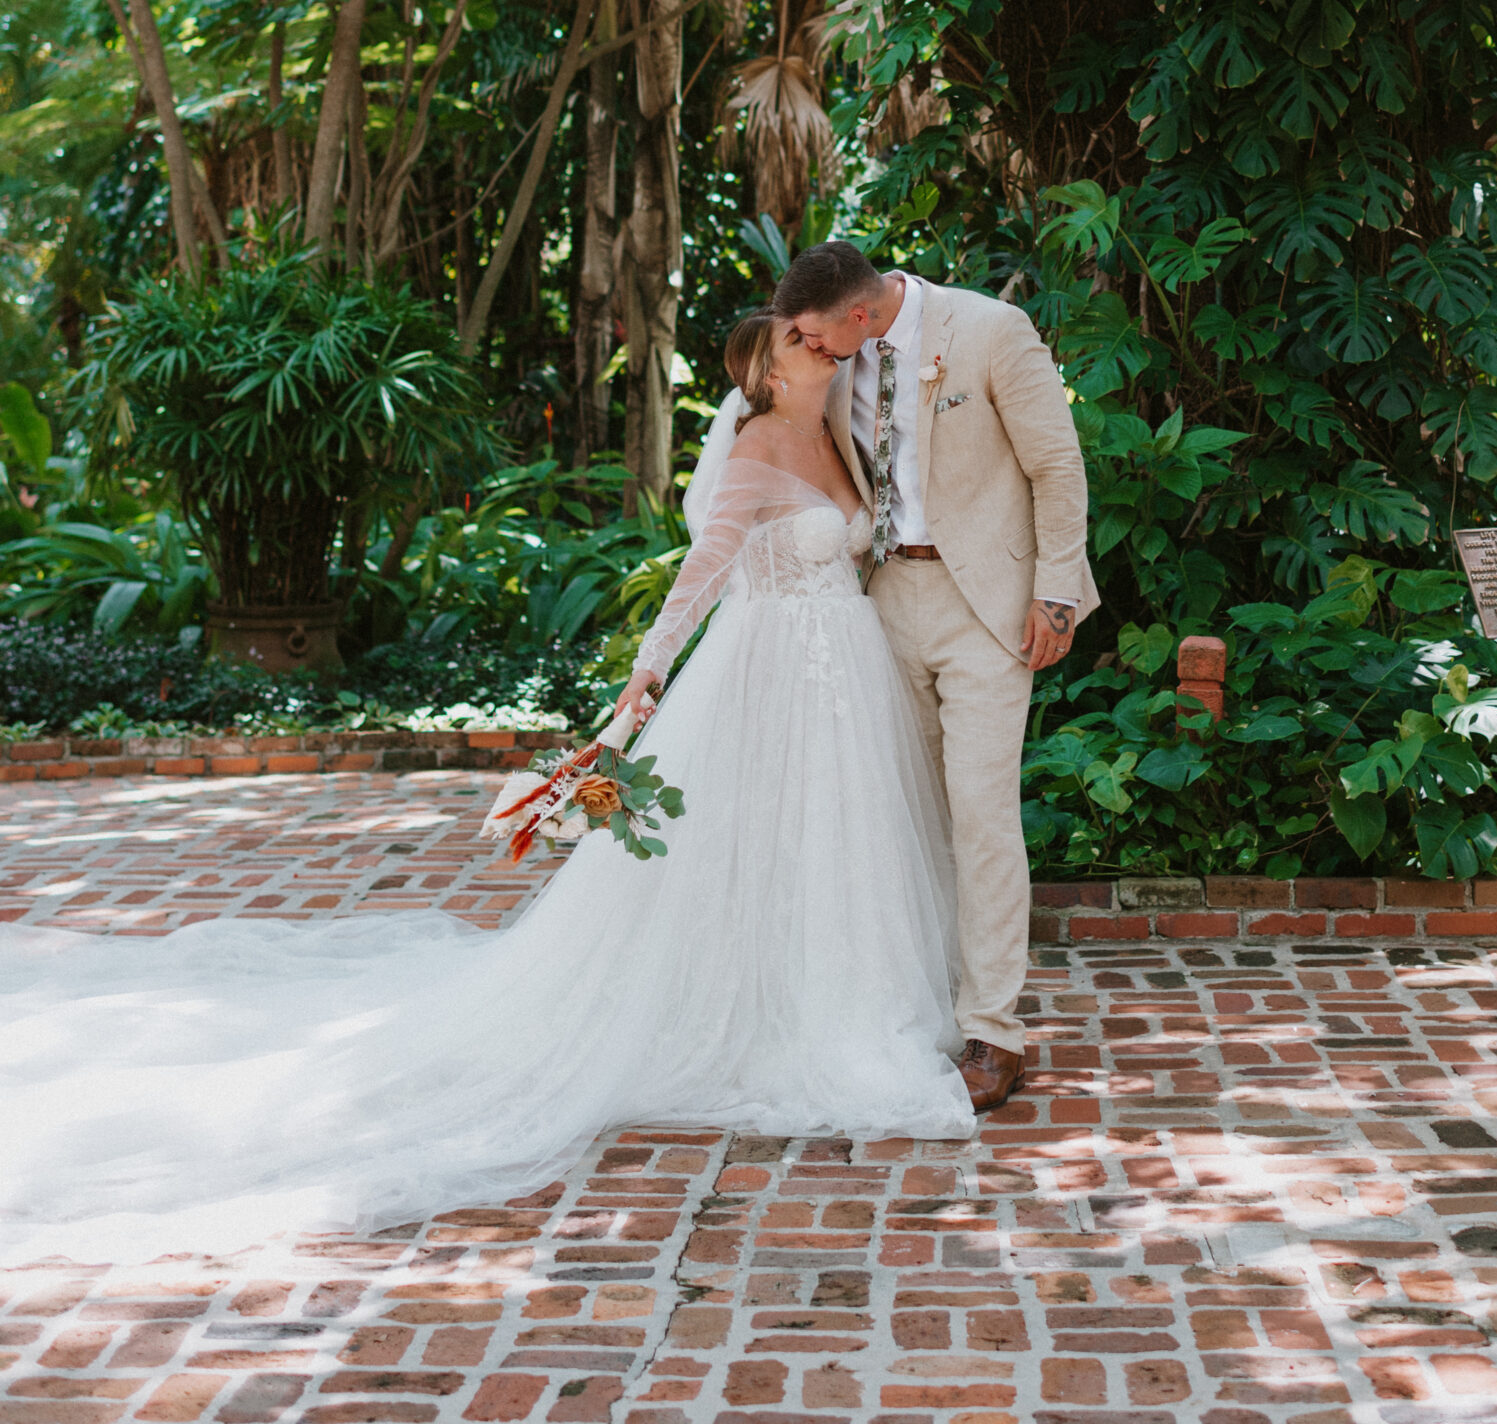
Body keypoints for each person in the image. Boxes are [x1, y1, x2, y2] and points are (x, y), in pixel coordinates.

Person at [0, 310, 973, 1267]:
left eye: (813, 338)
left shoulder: (837, 427)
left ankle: (840, 985)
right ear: (764, 376)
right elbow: (703, 569)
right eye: (793, 343)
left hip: (846, 677)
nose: (814, 345)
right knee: (754, 846)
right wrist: (646, 669)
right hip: (770, 681)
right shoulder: (757, 445)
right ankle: (767, 1005)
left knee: (834, 844)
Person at [772, 241, 1096, 1113]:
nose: (810, 352)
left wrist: (1056, 596)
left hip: (987, 604)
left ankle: (994, 1030)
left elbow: (1056, 467)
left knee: (982, 814)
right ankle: (922, 1009)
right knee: (905, 815)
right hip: (877, 601)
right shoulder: (829, 363)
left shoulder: (991, 330)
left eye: (815, 336)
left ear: (859, 315)